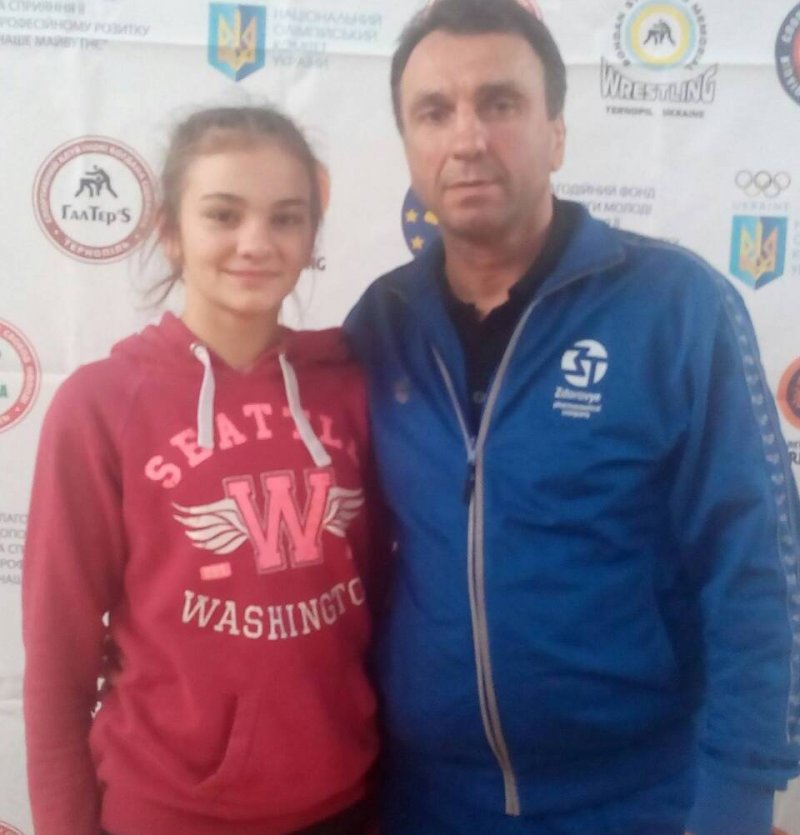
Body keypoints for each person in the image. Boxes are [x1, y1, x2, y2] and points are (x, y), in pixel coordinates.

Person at [345, 1, 800, 834]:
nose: (468, 138)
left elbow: (756, 564)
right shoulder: (381, 324)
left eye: (501, 103)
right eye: (435, 112)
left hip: (640, 796)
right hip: (427, 801)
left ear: (556, 132)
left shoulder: (677, 306)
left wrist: (739, 793)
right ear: (408, 145)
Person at [23, 106, 383, 835]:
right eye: (223, 214)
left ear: (311, 236)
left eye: (286, 218)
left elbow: (379, 598)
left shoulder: (353, 389)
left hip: (344, 802)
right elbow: (58, 662)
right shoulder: (101, 405)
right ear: (170, 231)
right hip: (168, 812)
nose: (256, 242)